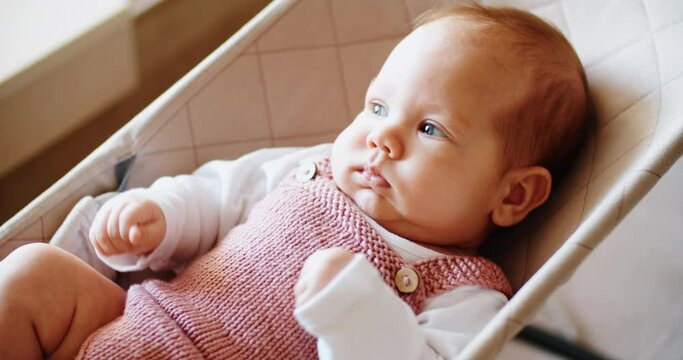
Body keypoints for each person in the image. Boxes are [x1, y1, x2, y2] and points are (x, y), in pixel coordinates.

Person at [0, 4, 591, 359]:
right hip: (129, 324)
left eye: (431, 128)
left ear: (512, 195)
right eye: (378, 107)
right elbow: (220, 195)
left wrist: (355, 312)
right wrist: (161, 218)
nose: (383, 138)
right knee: (33, 272)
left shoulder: (464, 293)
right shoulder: (310, 169)